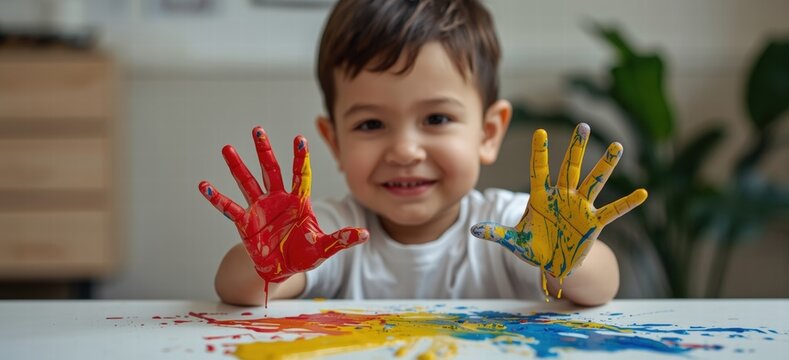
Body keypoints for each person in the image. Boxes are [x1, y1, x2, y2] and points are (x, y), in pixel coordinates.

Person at [199, 0, 647, 307]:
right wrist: (272, 262)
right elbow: (235, 289)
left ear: (488, 133)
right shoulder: (332, 235)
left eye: (436, 119)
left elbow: (602, 286)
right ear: (334, 142)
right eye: (371, 124)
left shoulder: (512, 226)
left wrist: (565, 259)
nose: (405, 150)